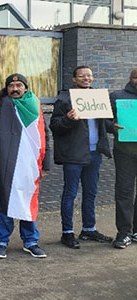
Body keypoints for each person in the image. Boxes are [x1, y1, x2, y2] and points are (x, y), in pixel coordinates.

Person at [0, 74, 51, 259]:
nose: (15, 88)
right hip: (7, 164)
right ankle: (1, 242)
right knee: (7, 202)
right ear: (6, 89)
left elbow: (44, 135)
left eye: (19, 85)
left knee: (28, 201)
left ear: (25, 88)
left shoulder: (35, 107)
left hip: (30, 164)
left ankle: (30, 242)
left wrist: (45, 163)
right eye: (11, 85)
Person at [50, 66, 113, 249]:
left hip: (94, 153)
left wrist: (115, 126)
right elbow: (54, 125)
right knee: (70, 194)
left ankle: (89, 228)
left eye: (89, 76)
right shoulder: (64, 99)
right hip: (74, 154)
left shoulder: (98, 98)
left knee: (91, 193)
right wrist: (68, 119)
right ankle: (67, 233)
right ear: (74, 79)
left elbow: (105, 123)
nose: (87, 78)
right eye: (82, 76)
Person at [110, 68, 137, 249]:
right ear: (131, 78)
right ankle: (124, 232)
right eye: (136, 77)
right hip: (125, 151)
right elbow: (103, 120)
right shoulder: (117, 96)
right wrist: (112, 126)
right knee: (124, 192)